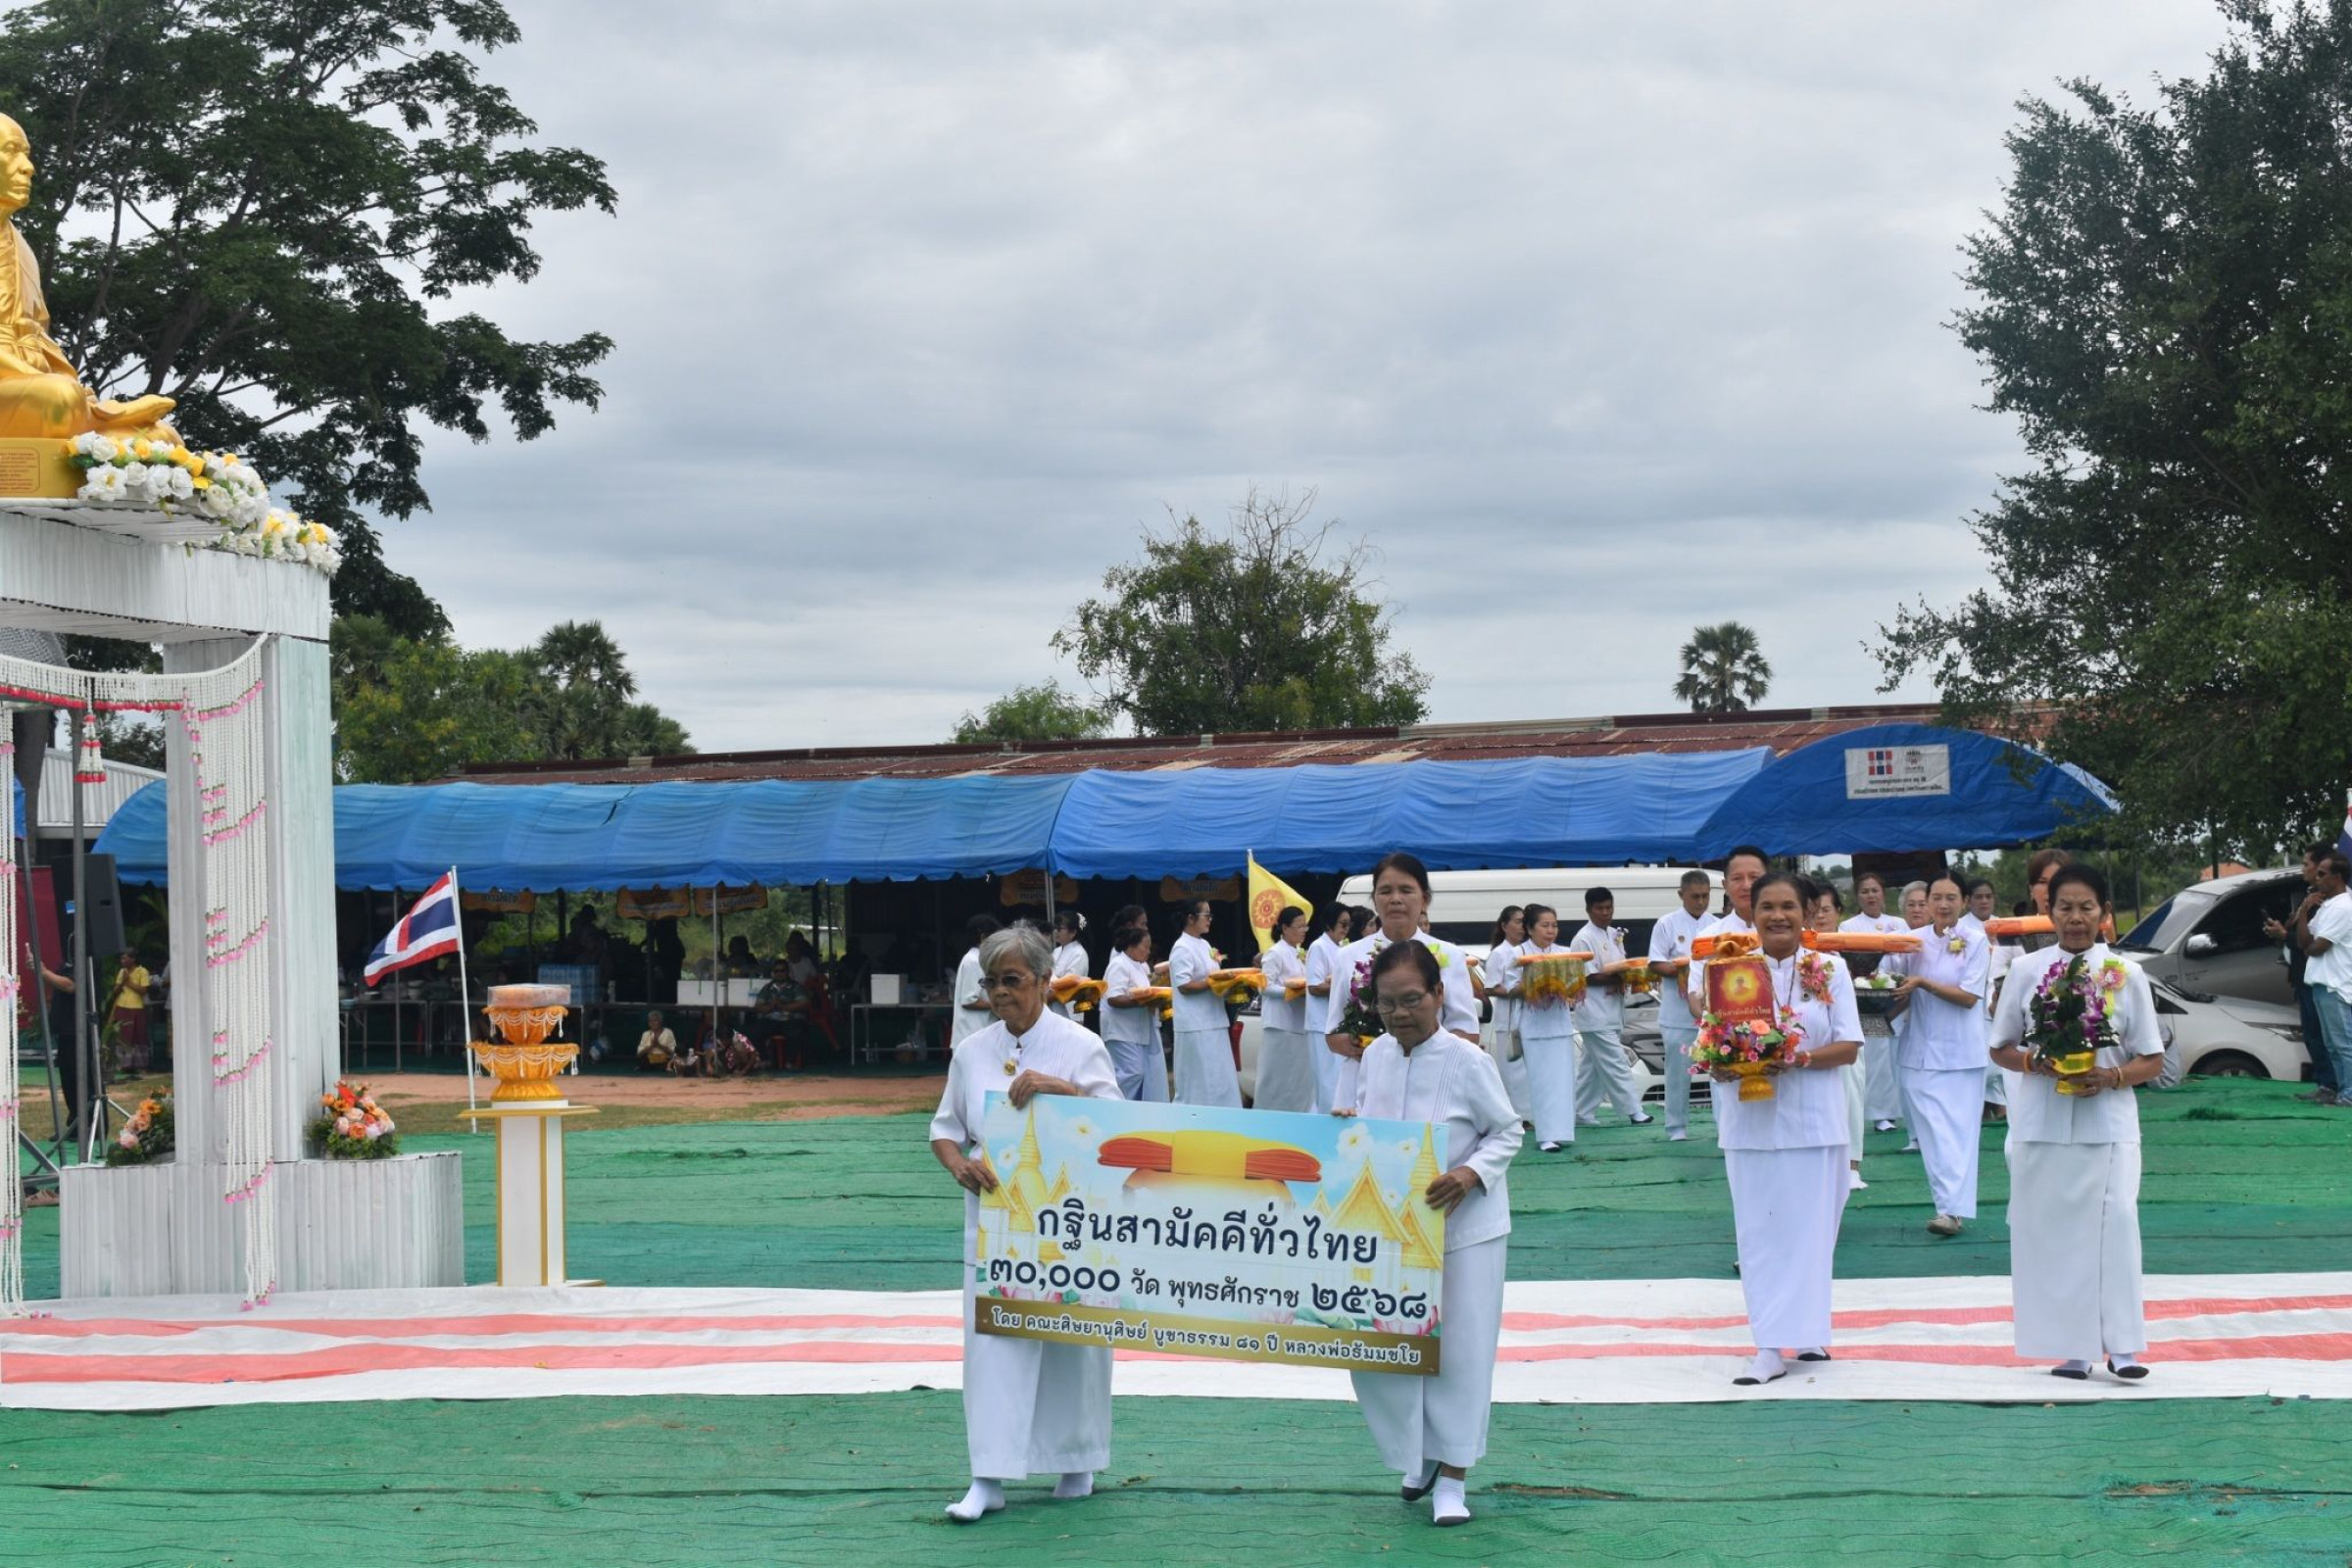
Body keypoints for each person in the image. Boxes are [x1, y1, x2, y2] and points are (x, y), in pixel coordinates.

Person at [927, 924, 1123, 1522]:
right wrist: (958, 1164)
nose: (999, 993)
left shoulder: (1081, 1044)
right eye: (991, 982)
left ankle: (1076, 1463)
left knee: (1072, 1341)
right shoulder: (971, 1051)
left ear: (1044, 981)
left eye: (1011, 980)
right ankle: (987, 1476)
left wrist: (1062, 1089)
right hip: (996, 1220)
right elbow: (945, 1129)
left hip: (1069, 1219)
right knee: (992, 1345)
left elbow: (1118, 1126)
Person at [1349, 941, 1523, 1527]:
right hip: (1392, 1233)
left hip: (1465, 1231)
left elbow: (1507, 1131)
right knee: (1386, 1347)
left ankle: (1454, 1475)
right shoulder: (1375, 1056)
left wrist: (1471, 1174)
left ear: (1439, 995)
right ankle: (1417, 1454)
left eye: (1412, 1000)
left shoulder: (1468, 1060)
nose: (1399, 1013)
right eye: (1387, 1003)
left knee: (1462, 1353)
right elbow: (1365, 1123)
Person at [1989, 863, 2168, 1381]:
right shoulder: (2026, 971)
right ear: (2049, 913)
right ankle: (2071, 1348)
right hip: (2042, 1121)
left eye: (2086, 907)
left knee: (2117, 1225)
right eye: (2065, 907)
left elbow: (2151, 1058)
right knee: (2054, 1233)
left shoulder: (2126, 974)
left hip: (2108, 1122)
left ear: (2104, 913)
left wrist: (2111, 1077)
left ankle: (2124, 1347)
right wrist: (2033, 1062)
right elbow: (2000, 1047)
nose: (2075, 917)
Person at [1697, 871, 1862, 1387]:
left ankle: (1808, 1332)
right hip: (1750, 1123)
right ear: (1752, 913)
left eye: (1788, 906)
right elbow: (1710, 1044)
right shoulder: (1728, 972)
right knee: (1760, 1233)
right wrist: (1721, 1065)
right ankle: (1768, 1345)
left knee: (1813, 1233)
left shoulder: (1829, 969)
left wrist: (1798, 1058)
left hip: (1816, 1120)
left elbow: (1849, 1045)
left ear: (1807, 912)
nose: (1777, 916)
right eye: (1766, 906)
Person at [1321, 854, 1480, 1115]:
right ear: (1374, 899)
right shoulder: (1347, 957)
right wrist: (1374, 1049)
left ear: (1424, 899)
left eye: (1406, 890)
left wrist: (1420, 1049)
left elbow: (1467, 1031)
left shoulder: (1448, 955)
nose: (1395, 899)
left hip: (1429, 1080)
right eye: (1385, 891)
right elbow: (1333, 1035)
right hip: (1362, 1083)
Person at [1890, 875, 1992, 1236]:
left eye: (1951, 897)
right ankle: (1947, 1207)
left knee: (1959, 1135)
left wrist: (1923, 983)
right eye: (1936, 897)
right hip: (1917, 1051)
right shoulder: (1910, 941)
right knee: (1932, 1134)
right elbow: (1889, 981)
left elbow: (1968, 997)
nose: (1943, 904)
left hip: (1962, 1053)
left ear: (1964, 901)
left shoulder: (1976, 940)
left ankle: (1951, 1212)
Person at [1571, 889, 1652, 1128]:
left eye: (1609, 908)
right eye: (1599, 908)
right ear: (1589, 910)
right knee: (1616, 1061)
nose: (1605, 913)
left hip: (1613, 1010)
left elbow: (1621, 965)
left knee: (1592, 1068)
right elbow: (1587, 977)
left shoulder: (1614, 934)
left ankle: (1581, 1112)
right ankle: (1634, 1111)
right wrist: (1624, 977)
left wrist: (1630, 973)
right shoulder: (1583, 938)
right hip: (1593, 1012)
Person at [1803, 880, 1865, 1192]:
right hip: (1807, 1038)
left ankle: (1852, 1165)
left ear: (1838, 911)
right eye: (1814, 909)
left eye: (1826, 909)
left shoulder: (1853, 948)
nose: (1820, 915)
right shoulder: (1796, 949)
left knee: (1851, 1094)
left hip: (1847, 1033)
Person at [2268, 843, 2341, 1101]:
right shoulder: (2309, 896)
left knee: (2325, 1036)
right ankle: (2326, 1083)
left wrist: (2285, 934)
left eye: (2307, 865)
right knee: (2312, 1035)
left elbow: (2310, 942)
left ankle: (2333, 1086)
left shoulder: (2328, 902)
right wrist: (2284, 931)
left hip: (2320, 977)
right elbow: (2298, 935)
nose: (2304, 870)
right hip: (2303, 975)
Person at [1841, 872, 1910, 1135]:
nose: (1871, 896)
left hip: (1898, 999)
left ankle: (1904, 1111)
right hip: (1869, 1001)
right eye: (1865, 891)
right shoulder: (1848, 927)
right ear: (1857, 897)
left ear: (1883, 893)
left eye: (1875, 890)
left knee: (1898, 1057)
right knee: (1877, 1059)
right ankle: (1881, 1115)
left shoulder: (1899, 923)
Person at [1649, 871, 1713, 1143]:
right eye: (1695, 896)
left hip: (1712, 1013)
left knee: (1720, 1071)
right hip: (1677, 1014)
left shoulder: (1716, 925)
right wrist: (1689, 970)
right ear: (1681, 895)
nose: (1700, 901)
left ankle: (1725, 1125)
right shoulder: (1666, 924)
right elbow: (1655, 963)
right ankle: (1676, 1127)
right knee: (1677, 1073)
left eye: (1705, 896)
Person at [1516, 904, 1580, 1152]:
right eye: (1545, 925)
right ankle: (1545, 1136)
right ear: (1530, 928)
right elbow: (1509, 988)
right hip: (1534, 1028)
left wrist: (1565, 986)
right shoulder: (1519, 953)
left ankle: (1562, 1132)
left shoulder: (1566, 953)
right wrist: (1537, 985)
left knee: (1563, 1082)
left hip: (1560, 1025)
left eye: (1554, 925)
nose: (1551, 930)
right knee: (1541, 1083)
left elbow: (1576, 984)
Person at [1167, 900, 1239, 1106]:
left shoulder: (1206, 945)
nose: (1210, 919)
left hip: (1215, 1020)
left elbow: (1214, 977)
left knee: (1220, 1077)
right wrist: (1213, 983)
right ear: (1191, 918)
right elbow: (1184, 985)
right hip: (1195, 1024)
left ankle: (1222, 1118)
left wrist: (1229, 985)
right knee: (1199, 1079)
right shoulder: (1181, 947)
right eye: (1206, 915)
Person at [2296, 851, 2352, 1106]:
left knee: (2344, 1044)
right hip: (2321, 982)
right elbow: (2304, 942)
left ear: (2337, 877)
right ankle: (2342, 1091)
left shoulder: (2343, 907)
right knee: (2332, 1045)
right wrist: (2304, 911)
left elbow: (2318, 947)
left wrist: (2310, 946)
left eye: (2322, 874)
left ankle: (2349, 1094)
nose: (2316, 878)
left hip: (2336, 984)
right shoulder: (2327, 906)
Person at [1254, 906, 1316, 1111]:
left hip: (1298, 1021)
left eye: (1305, 927)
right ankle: (1270, 1112)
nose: (1303, 931)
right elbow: (1264, 987)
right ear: (1285, 928)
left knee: (1297, 1076)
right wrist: (1291, 992)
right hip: (1279, 1024)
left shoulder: (1299, 952)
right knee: (1277, 1075)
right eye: (1299, 927)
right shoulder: (1275, 953)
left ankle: (1296, 1112)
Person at [1100, 923, 1168, 1102]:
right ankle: (1115, 1104)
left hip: (1138, 1031)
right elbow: (1113, 998)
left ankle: (1133, 1108)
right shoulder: (1119, 965)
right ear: (1131, 946)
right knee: (1132, 1073)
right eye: (1145, 947)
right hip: (1120, 1031)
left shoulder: (1142, 966)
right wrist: (1143, 1001)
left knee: (1141, 1074)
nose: (1148, 952)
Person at [1482, 906, 1533, 1121]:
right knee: (1512, 1072)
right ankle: (1517, 1117)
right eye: (1518, 922)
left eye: (1524, 922)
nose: (1522, 927)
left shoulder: (1526, 951)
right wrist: (1517, 992)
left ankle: (1528, 1115)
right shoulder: (1499, 954)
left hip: (1527, 1018)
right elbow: (1490, 987)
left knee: (1527, 1072)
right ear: (1504, 926)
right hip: (1508, 1021)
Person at [1304, 903, 1353, 1113]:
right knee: (1326, 1080)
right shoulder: (1319, 947)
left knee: (1338, 1078)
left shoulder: (1340, 948)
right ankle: (1325, 1119)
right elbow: (1315, 986)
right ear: (1329, 924)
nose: (1346, 929)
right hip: (1320, 1023)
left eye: (1349, 924)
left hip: (1336, 1023)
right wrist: (1345, 984)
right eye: (1342, 924)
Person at [752, 961, 814, 1070]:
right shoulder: (767, 988)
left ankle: (790, 1062)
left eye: (782, 970)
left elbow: (804, 1003)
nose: (779, 973)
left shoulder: (796, 986)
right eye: (777, 971)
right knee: (755, 1031)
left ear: (787, 972)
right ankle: (765, 1060)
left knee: (796, 1032)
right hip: (771, 1019)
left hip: (791, 1019)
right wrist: (771, 1007)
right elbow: (758, 1006)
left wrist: (783, 1006)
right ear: (773, 973)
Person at [951, 915, 1000, 1052]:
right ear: (983, 937)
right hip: (971, 1038)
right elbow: (969, 1001)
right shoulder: (973, 961)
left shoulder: (979, 960)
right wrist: (998, 1005)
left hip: (979, 1037)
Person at [106, 947, 154, 1076]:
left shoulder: (142, 971)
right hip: (122, 1006)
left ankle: (140, 1065)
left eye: (125, 958)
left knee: (138, 1036)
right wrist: (122, 982)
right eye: (121, 958)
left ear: (133, 959)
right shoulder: (122, 972)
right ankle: (124, 1065)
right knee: (123, 1037)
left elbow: (143, 990)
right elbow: (116, 990)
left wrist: (128, 982)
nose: (122, 961)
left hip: (137, 1007)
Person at [1048, 911, 1091, 1020]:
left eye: (1059, 929)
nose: (1055, 932)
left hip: (1070, 1013)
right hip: (1054, 1010)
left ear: (1073, 932)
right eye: (1055, 927)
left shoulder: (1079, 953)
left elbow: (1069, 985)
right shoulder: (1056, 951)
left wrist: (1043, 999)